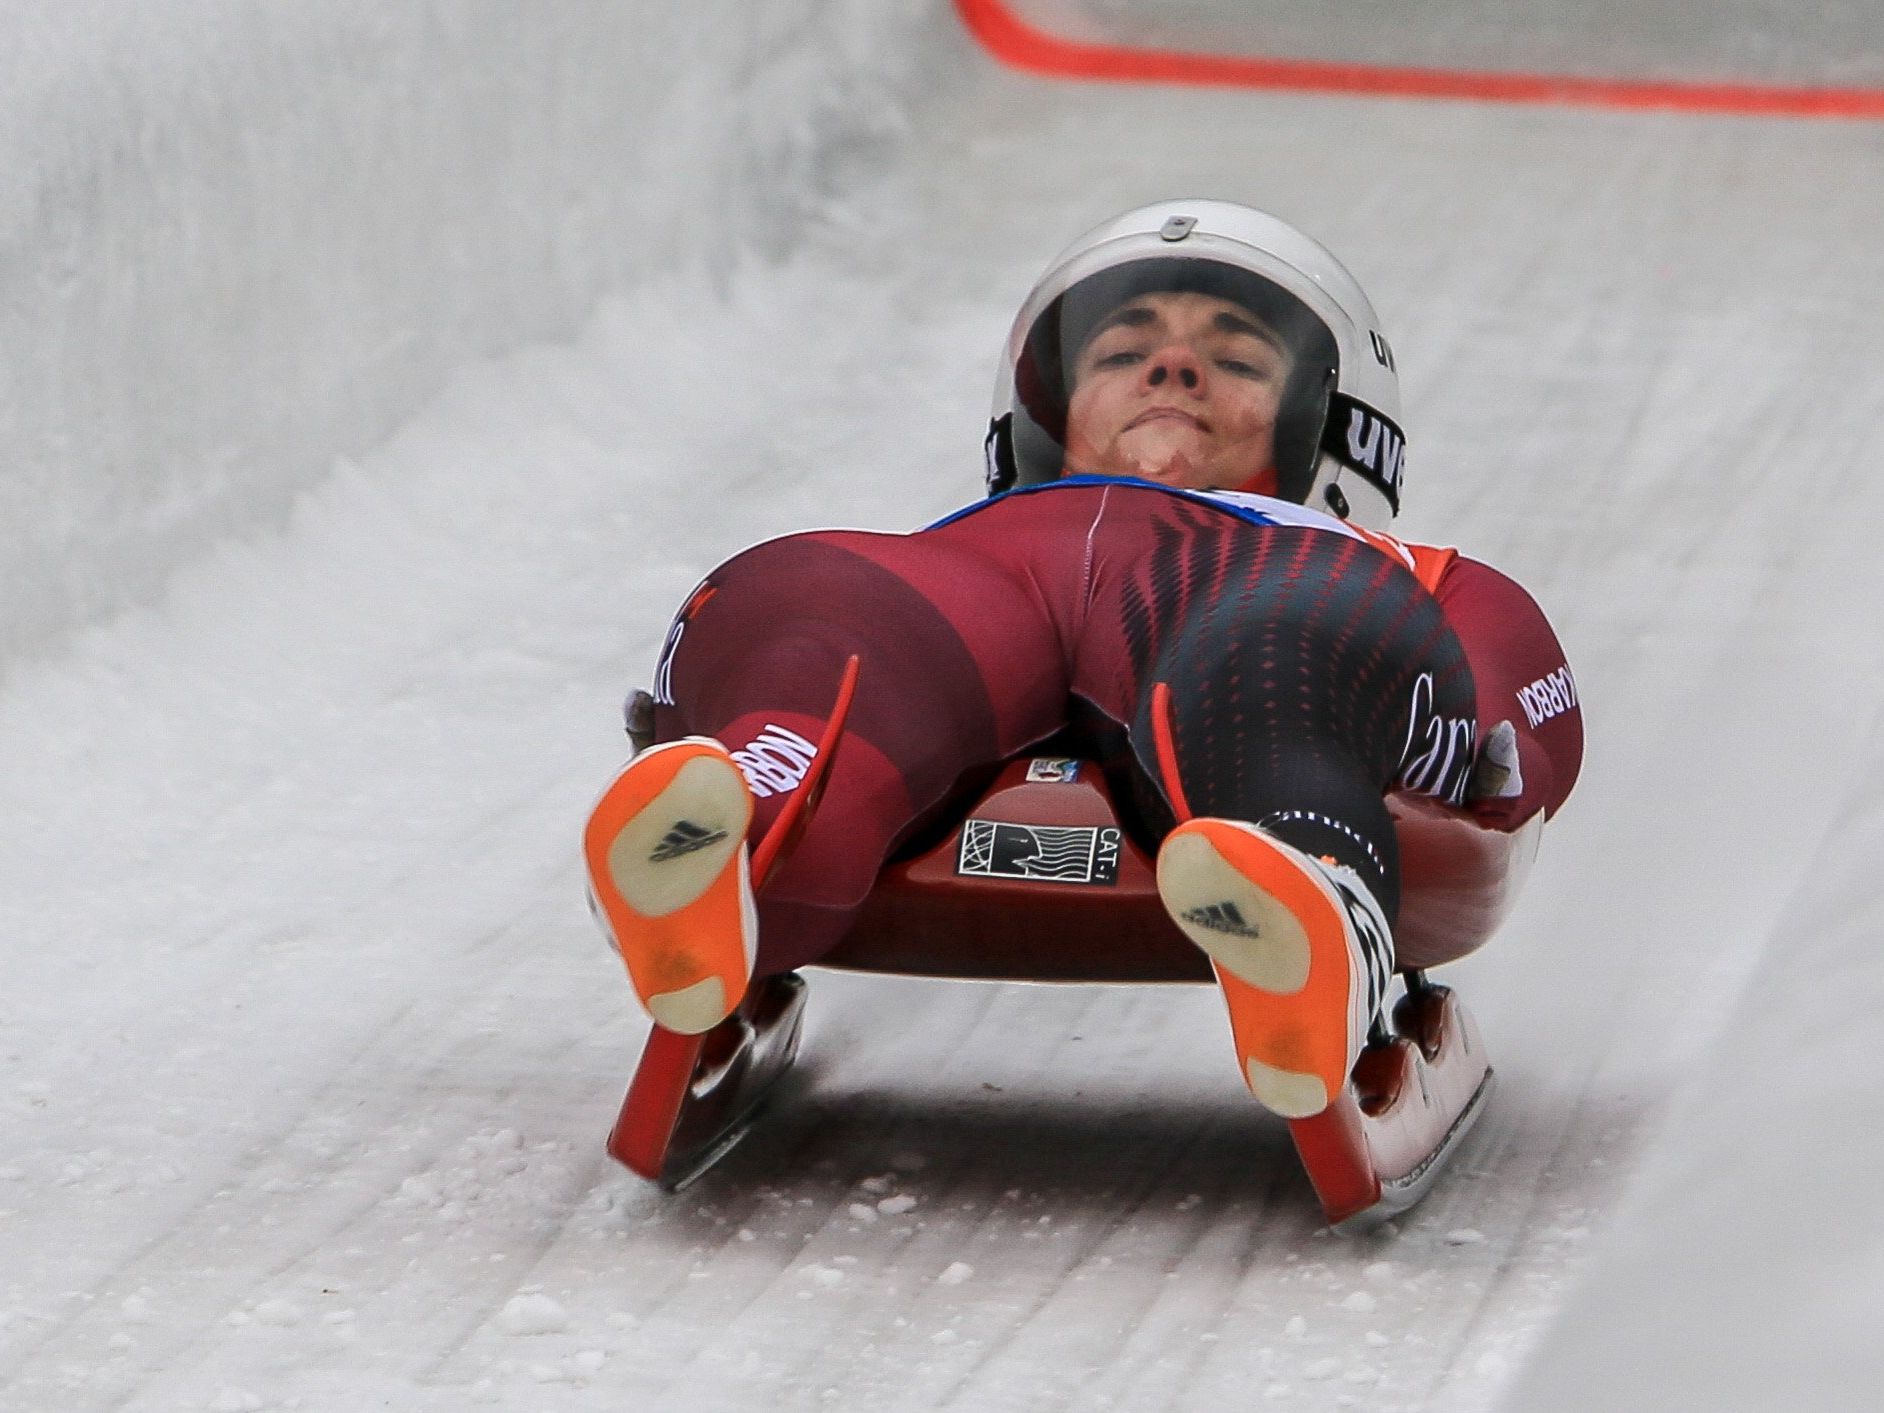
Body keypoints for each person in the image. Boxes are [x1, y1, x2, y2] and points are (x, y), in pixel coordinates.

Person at [581, 200, 1583, 1121]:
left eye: (1236, 359)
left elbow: (1525, 701)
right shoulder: (955, 549)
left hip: (1256, 579)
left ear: (1332, 430)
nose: (1172, 369)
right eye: (1121, 352)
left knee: (1271, 644)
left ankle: (1307, 890)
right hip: (996, 573)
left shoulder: (1395, 576)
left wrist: (1492, 767)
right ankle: (730, 841)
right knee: (823, 607)